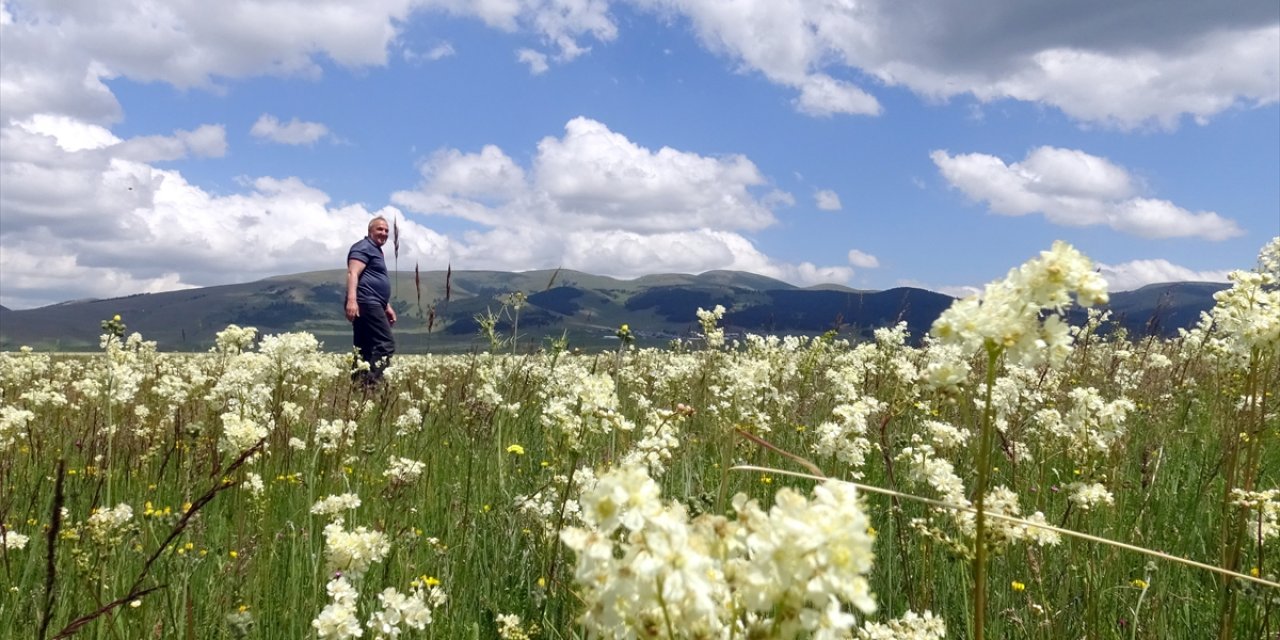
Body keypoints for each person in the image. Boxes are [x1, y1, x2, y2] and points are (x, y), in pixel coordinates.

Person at [346, 216, 397, 385]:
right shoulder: (363, 247)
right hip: (367, 302)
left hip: (373, 302)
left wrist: (386, 305)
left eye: (386, 230)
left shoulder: (375, 250)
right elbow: (353, 273)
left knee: (363, 347)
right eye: (379, 229)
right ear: (370, 231)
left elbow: (371, 279)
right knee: (385, 345)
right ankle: (369, 385)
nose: (384, 233)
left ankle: (356, 388)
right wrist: (352, 301)